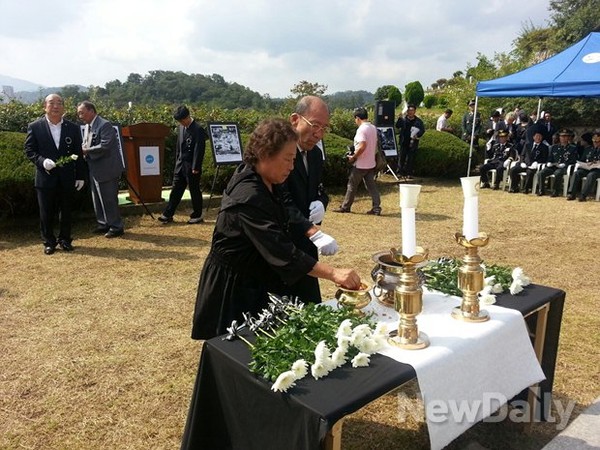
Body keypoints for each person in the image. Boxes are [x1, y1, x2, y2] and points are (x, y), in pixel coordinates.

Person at [190, 118, 361, 340]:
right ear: (264, 154)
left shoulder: (270, 180)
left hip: (258, 276)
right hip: (234, 286)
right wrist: (334, 273)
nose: (291, 167)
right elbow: (280, 250)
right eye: (288, 159)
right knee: (237, 351)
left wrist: (312, 228)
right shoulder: (248, 195)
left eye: (294, 159)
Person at [279, 95, 338, 304]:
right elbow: (280, 199)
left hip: (308, 243)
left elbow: (319, 188)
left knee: (310, 303)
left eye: (324, 128)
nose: (319, 134)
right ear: (295, 119)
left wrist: (322, 202)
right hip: (283, 244)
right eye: (315, 125)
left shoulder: (314, 155)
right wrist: (313, 231)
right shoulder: (279, 154)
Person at [24, 94, 86, 254]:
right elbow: (30, 150)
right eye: (52, 103)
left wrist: (80, 176)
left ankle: (65, 239)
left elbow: (77, 152)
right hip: (45, 177)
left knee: (66, 210)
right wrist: (42, 161)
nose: (56, 106)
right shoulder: (35, 126)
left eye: (59, 103)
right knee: (46, 211)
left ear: (63, 107)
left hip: (67, 177)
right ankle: (48, 242)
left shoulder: (72, 128)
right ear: (45, 106)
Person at [77, 100, 125, 237]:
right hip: (94, 168)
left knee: (109, 199)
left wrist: (86, 150)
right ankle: (103, 223)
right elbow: (86, 142)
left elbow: (105, 145)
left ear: (91, 111)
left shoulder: (105, 125)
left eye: (82, 113)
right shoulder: (87, 126)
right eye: (79, 113)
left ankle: (116, 227)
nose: (80, 116)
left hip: (107, 169)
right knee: (97, 198)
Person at [158, 106, 209, 224]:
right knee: (176, 190)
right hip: (180, 165)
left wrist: (196, 166)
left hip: (191, 166)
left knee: (194, 190)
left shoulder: (198, 129)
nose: (181, 123)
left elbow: (199, 149)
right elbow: (178, 147)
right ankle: (168, 214)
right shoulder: (181, 128)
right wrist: (177, 162)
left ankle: (197, 215)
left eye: (182, 120)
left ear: (187, 117)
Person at [333, 107, 381, 215]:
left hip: (360, 164)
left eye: (355, 119)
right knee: (371, 187)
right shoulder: (373, 128)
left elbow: (362, 145)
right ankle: (376, 207)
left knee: (351, 185)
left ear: (358, 118)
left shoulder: (361, 129)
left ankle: (346, 206)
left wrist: (354, 156)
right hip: (371, 163)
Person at [537, 129, 578, 197]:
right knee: (541, 173)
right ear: (559, 137)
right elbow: (550, 157)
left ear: (568, 137)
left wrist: (565, 164)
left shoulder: (572, 148)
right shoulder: (554, 147)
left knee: (558, 173)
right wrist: (549, 162)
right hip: (553, 166)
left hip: (563, 167)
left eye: (565, 136)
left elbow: (573, 160)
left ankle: (555, 191)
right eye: (562, 136)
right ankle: (541, 190)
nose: (563, 138)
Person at [395, 104, 425, 180]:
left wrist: (417, 134)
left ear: (415, 111)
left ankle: (409, 173)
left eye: (412, 110)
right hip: (404, 141)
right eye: (409, 110)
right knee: (401, 157)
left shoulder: (418, 121)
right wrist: (400, 117)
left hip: (413, 142)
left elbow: (422, 130)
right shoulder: (403, 119)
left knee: (411, 158)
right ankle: (399, 172)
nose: (410, 112)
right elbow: (397, 126)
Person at [567, 132, 600, 201]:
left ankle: (583, 195)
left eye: (597, 141)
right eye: (594, 141)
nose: (595, 143)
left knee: (591, 175)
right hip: (587, 168)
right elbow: (583, 160)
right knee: (577, 173)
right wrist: (583, 164)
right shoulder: (589, 149)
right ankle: (571, 194)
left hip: (597, 170)